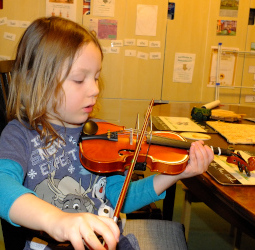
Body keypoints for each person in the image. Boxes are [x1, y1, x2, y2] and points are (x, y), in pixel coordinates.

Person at [0, 16, 214, 250]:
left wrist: (176, 173)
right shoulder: (19, 135)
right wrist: (56, 220)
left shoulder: (101, 135)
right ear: (38, 82)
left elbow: (123, 197)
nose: (95, 89)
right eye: (79, 79)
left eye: (96, 77)